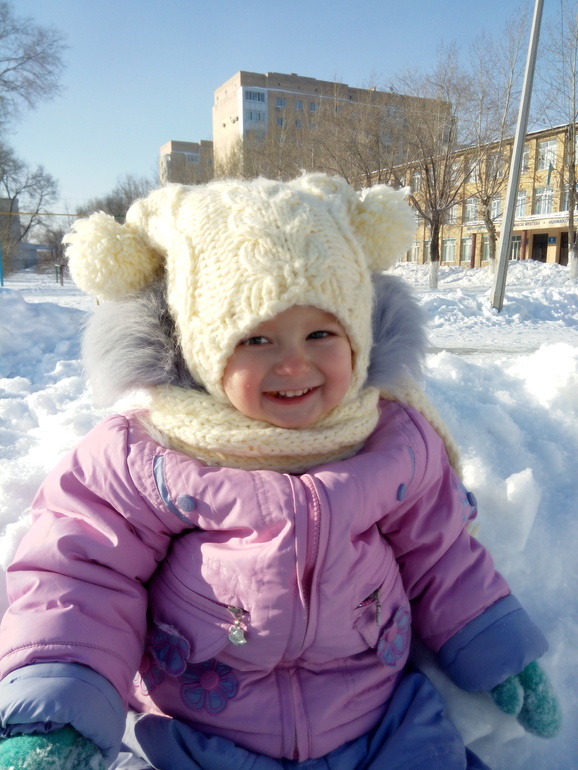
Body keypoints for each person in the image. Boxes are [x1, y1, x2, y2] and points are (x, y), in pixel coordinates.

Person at [0, 174, 561, 770]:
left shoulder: (392, 443)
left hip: (378, 723)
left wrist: (493, 643)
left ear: (358, 338)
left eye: (320, 333)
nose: (295, 363)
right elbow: (82, 573)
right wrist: (60, 707)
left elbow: (440, 552)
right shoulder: (149, 457)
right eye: (257, 338)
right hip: (197, 733)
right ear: (202, 349)